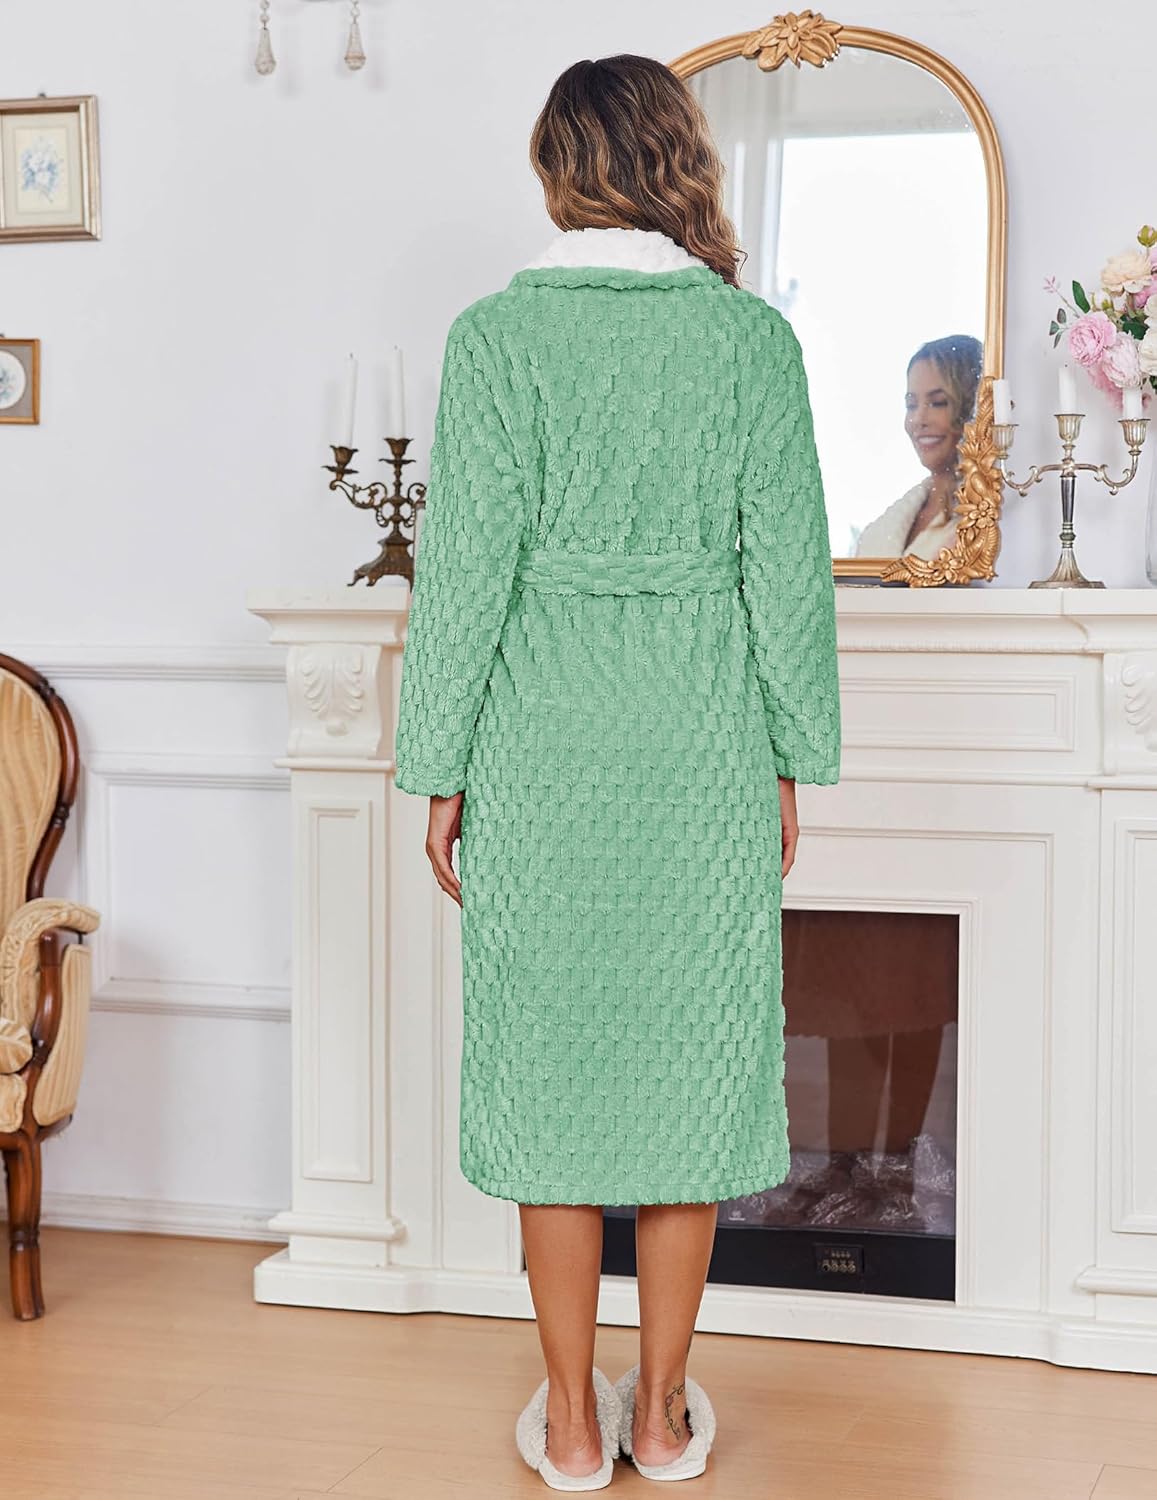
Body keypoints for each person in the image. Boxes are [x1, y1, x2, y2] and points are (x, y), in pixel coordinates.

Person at [393, 53, 841, 1489]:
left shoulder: (493, 339)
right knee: (690, 1080)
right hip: (701, 741)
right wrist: (789, 756)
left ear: (560, 169)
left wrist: (440, 766)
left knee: (552, 1086)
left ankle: (571, 1424)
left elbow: (464, 576)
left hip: (542, 742)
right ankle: (658, 1413)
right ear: (676, 159)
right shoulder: (750, 343)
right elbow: (788, 576)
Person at [855, 334, 984, 560]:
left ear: (971, 408)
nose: (919, 420)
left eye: (938, 403)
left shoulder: (983, 521)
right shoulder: (884, 528)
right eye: (911, 405)